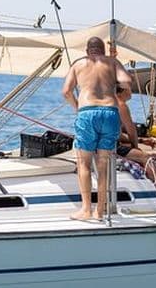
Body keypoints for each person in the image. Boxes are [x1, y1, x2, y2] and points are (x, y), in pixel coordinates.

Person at [62, 36, 132, 221]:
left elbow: (66, 91)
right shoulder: (112, 62)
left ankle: (86, 209)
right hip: (109, 112)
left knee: (83, 164)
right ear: (103, 50)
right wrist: (112, 77)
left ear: (87, 51)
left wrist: (78, 107)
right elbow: (126, 82)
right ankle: (100, 211)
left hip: (87, 112)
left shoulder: (78, 64)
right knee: (103, 164)